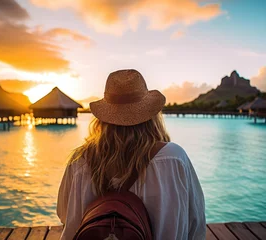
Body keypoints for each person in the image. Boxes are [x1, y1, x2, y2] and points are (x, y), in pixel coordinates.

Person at [57, 69, 206, 240]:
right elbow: (196, 221)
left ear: (103, 118)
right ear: (151, 116)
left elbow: (64, 215)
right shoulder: (173, 158)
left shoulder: (79, 160)